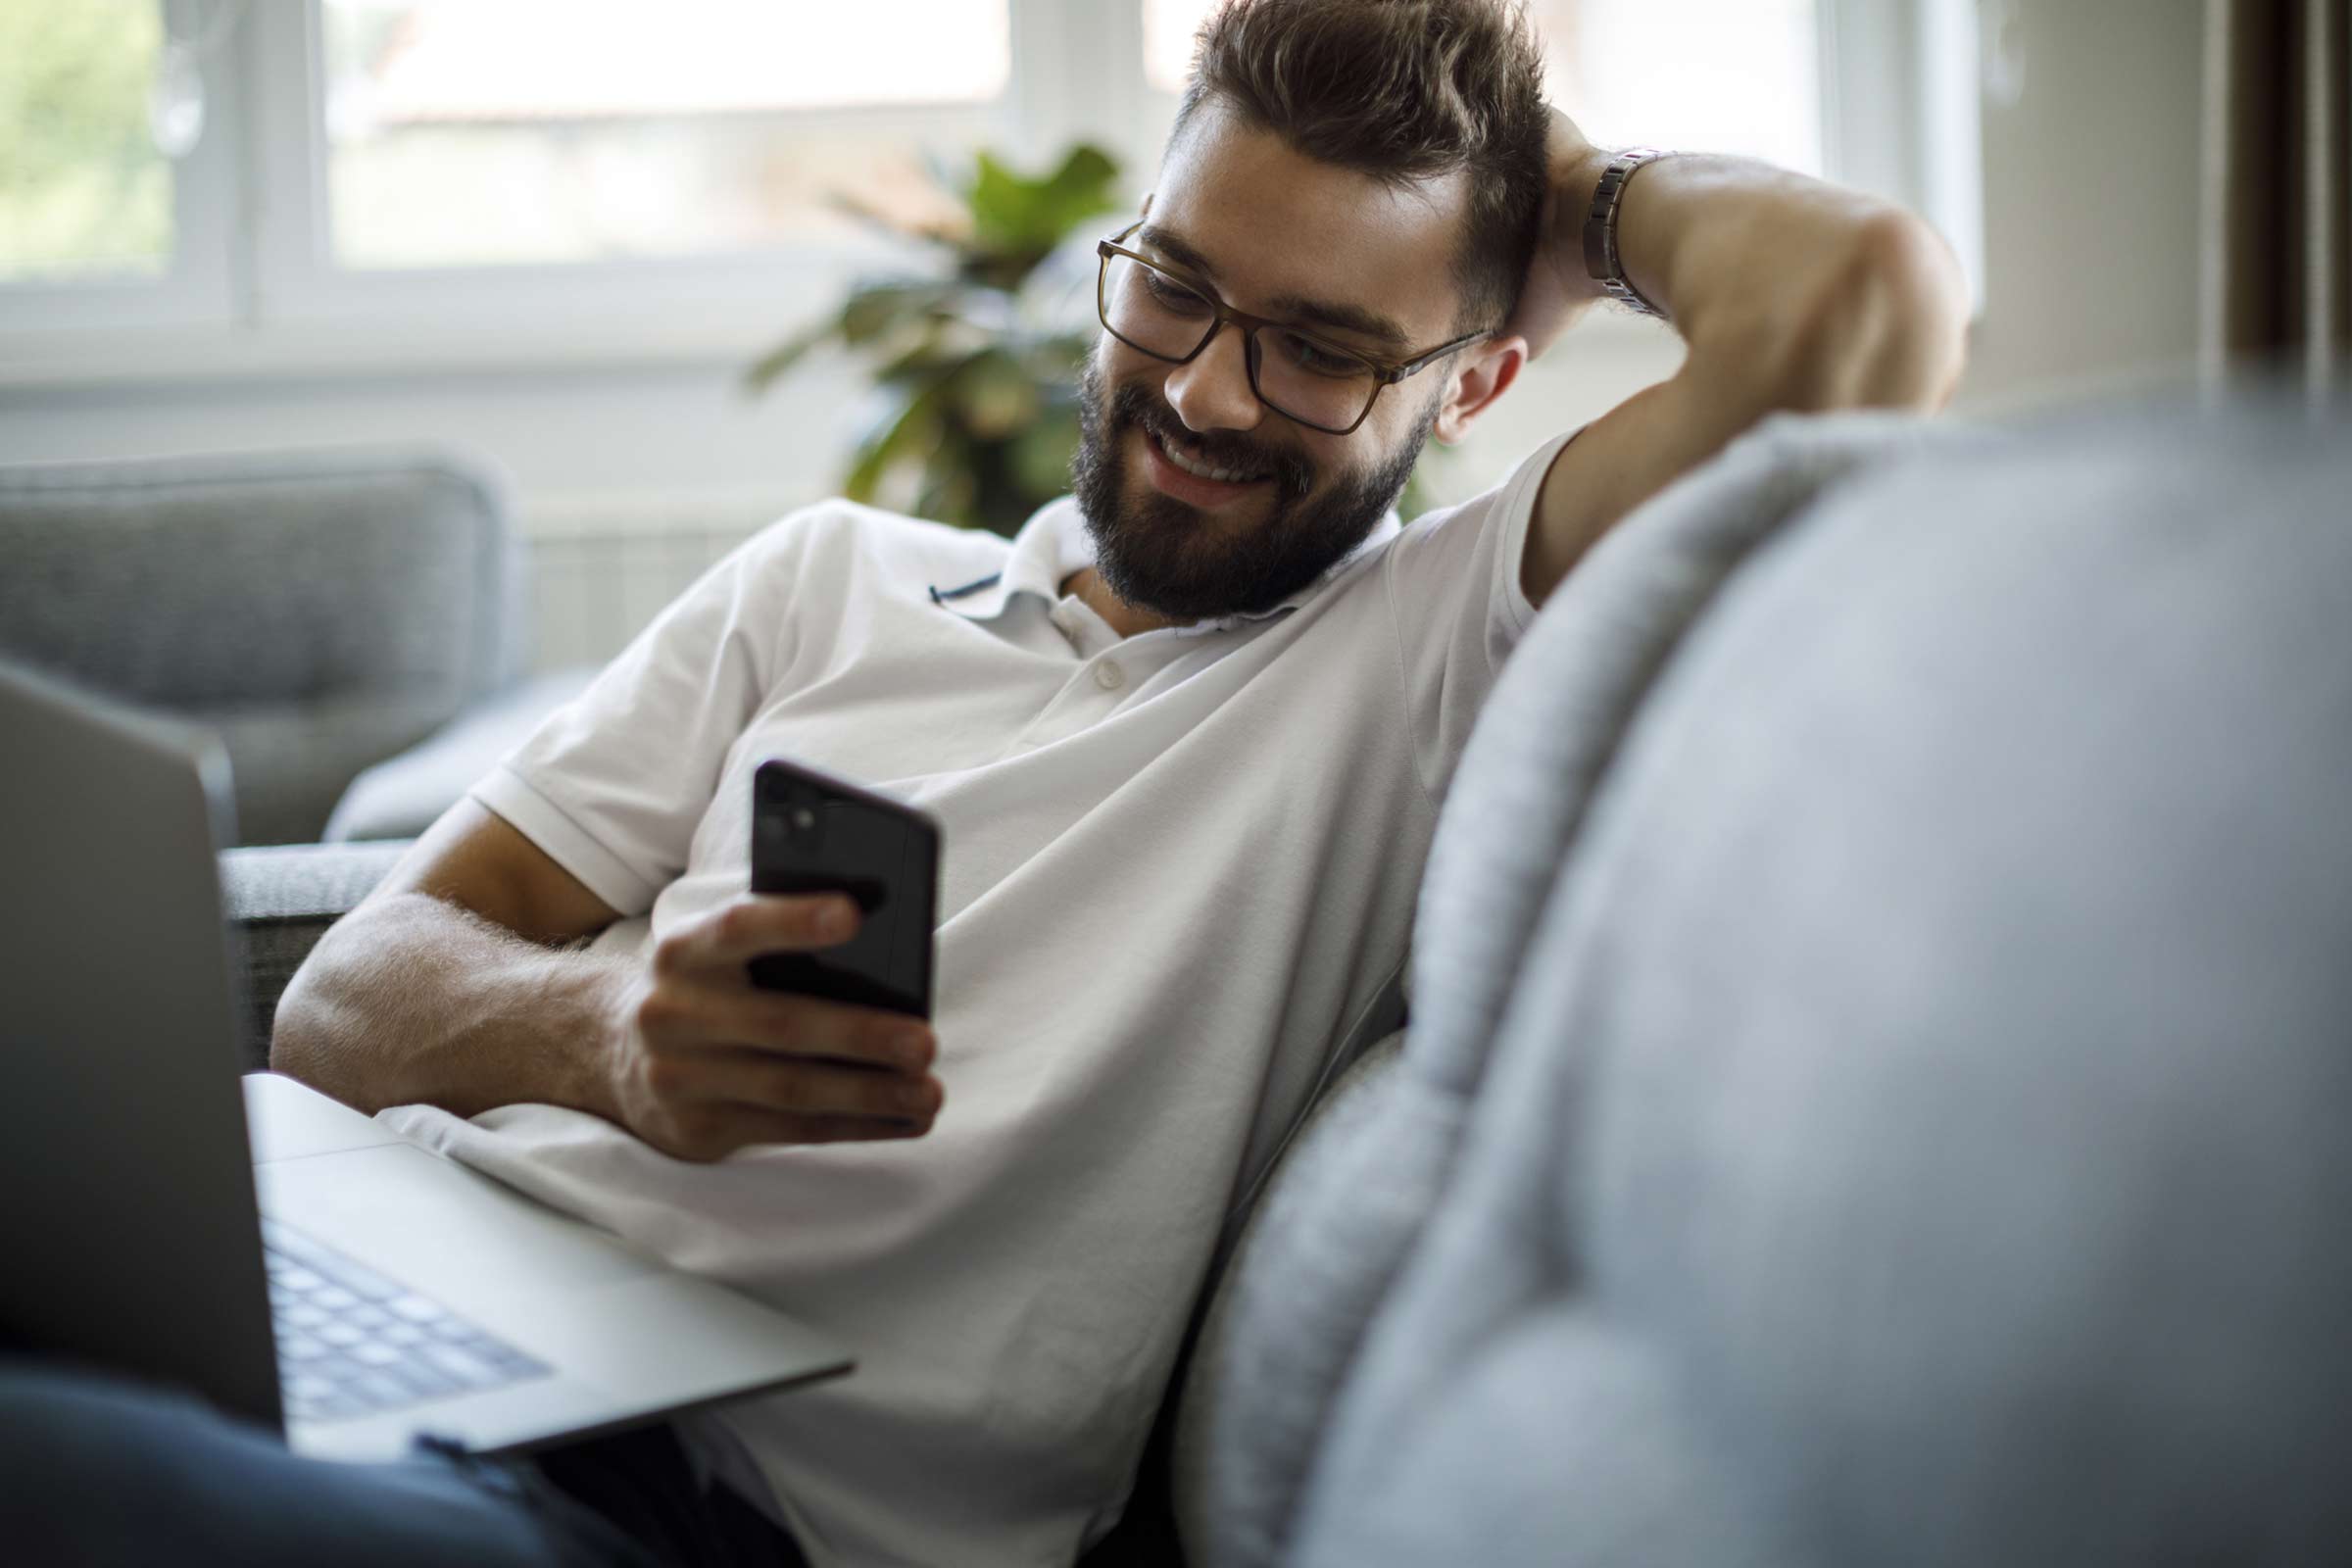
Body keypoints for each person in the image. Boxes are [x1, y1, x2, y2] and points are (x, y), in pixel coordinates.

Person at [0, 2, 1968, 1564]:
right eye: (1177, 287)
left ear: (1467, 385)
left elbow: (1865, 302)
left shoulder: (1423, 649)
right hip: (378, 1305)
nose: (1203, 389)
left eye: (1320, 353)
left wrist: (1565, 186)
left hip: (667, 1505)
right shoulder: (820, 577)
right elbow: (344, 1001)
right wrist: (596, 1025)